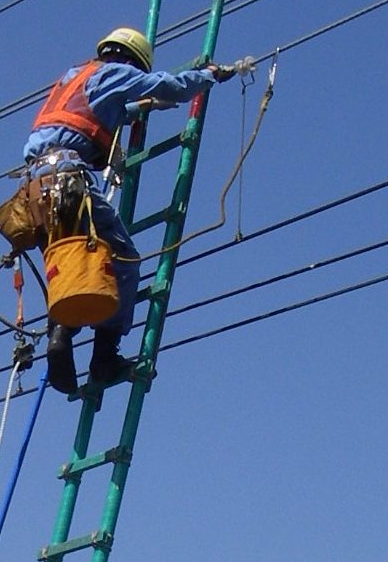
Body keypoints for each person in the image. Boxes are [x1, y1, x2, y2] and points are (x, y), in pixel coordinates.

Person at [24, 27, 242, 395]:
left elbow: (97, 115)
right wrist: (207, 77)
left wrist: (139, 109)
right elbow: (167, 86)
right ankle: (104, 356)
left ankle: (60, 333)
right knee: (122, 260)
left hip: (36, 188)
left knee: (76, 258)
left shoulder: (73, 78)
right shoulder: (114, 73)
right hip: (68, 177)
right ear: (131, 60)